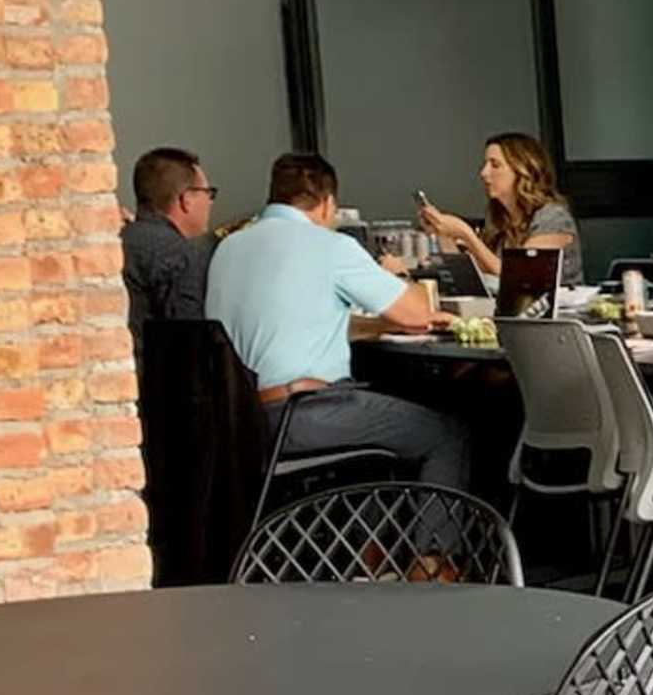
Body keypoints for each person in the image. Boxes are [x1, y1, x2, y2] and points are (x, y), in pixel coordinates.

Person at [207, 150, 467, 490]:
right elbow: (419, 312)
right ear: (328, 204)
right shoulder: (330, 245)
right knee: (448, 434)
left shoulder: (228, 248)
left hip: (239, 420)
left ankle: (372, 543)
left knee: (380, 422)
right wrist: (397, 274)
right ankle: (432, 546)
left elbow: (292, 322)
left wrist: (379, 326)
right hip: (304, 415)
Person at [419, 131, 575, 287]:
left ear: (523, 170)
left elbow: (519, 278)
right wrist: (442, 234)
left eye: (495, 165)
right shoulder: (500, 218)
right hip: (508, 308)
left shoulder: (554, 218)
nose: (484, 173)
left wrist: (467, 234)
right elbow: (474, 276)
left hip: (559, 309)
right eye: (485, 164)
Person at [120, 145, 217, 335]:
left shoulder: (119, 242)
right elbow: (189, 339)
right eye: (208, 193)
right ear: (186, 199)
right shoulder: (181, 255)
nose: (210, 202)